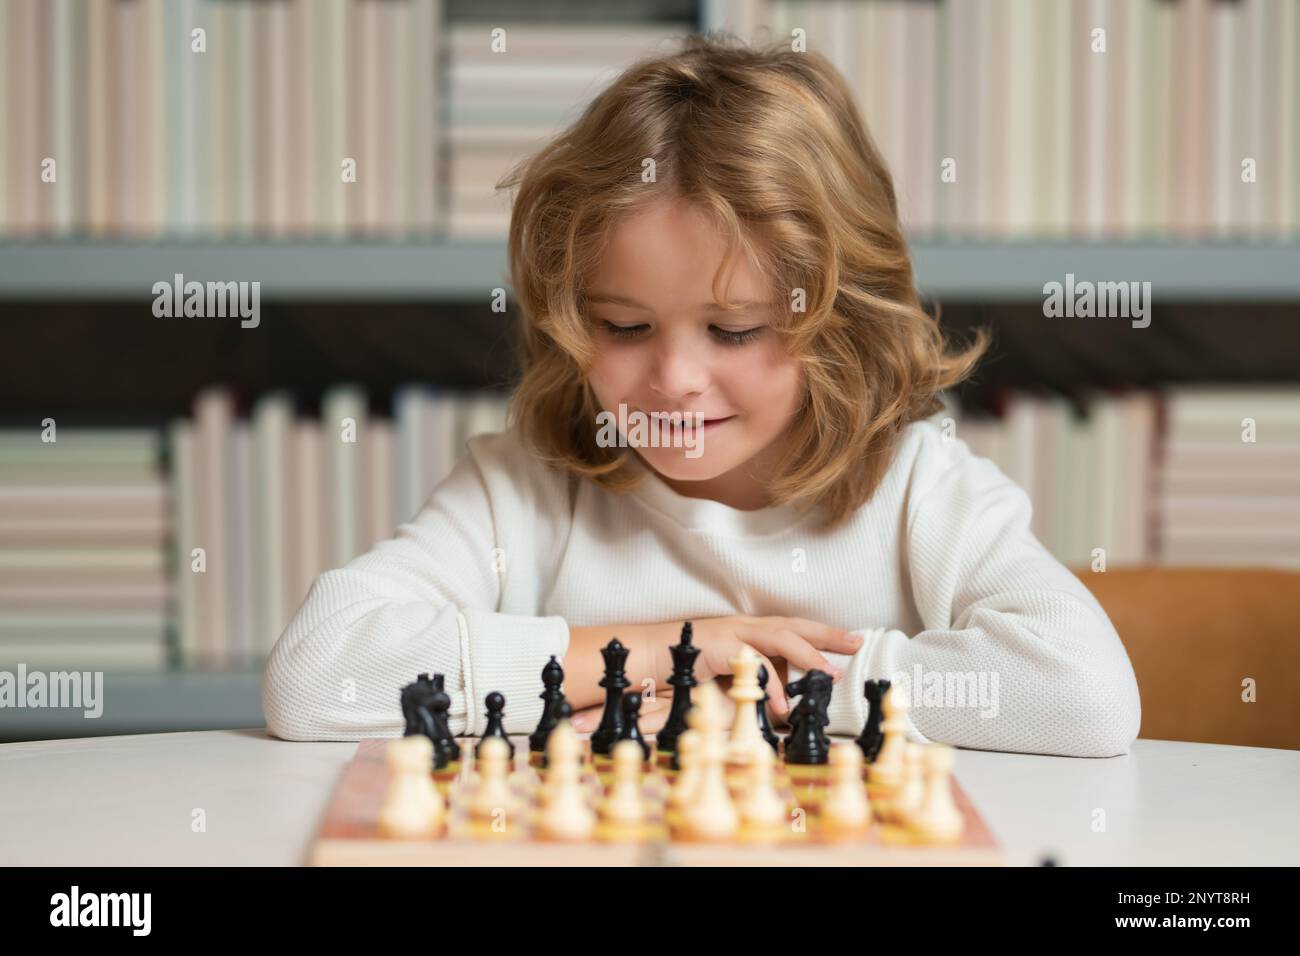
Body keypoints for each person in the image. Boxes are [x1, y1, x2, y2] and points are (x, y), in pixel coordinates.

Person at [262, 35, 1140, 758]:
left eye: (733, 330)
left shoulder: (920, 490)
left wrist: (771, 686)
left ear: (837, 321)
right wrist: (662, 651)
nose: (675, 378)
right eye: (623, 326)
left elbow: (1086, 694)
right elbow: (314, 674)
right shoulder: (524, 491)